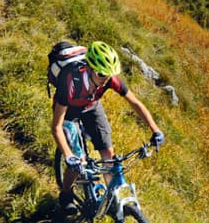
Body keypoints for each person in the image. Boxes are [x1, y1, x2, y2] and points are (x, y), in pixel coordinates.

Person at [51, 41, 164, 213]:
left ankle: (113, 200)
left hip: (91, 106)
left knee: (109, 156)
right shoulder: (70, 83)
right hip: (69, 113)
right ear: (89, 69)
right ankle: (66, 194)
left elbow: (135, 103)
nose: (106, 80)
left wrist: (155, 130)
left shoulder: (109, 78)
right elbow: (56, 127)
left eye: (109, 75)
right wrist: (68, 155)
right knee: (78, 160)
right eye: (102, 74)